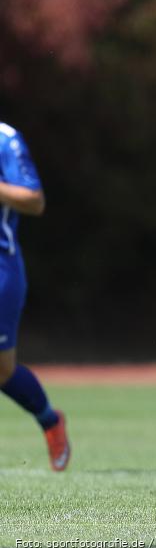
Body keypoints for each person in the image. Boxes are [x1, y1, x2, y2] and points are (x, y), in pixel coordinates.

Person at [0, 121, 70, 471]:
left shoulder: (5, 139)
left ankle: (49, 420)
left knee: (2, 370)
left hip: (1, 269)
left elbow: (34, 199)